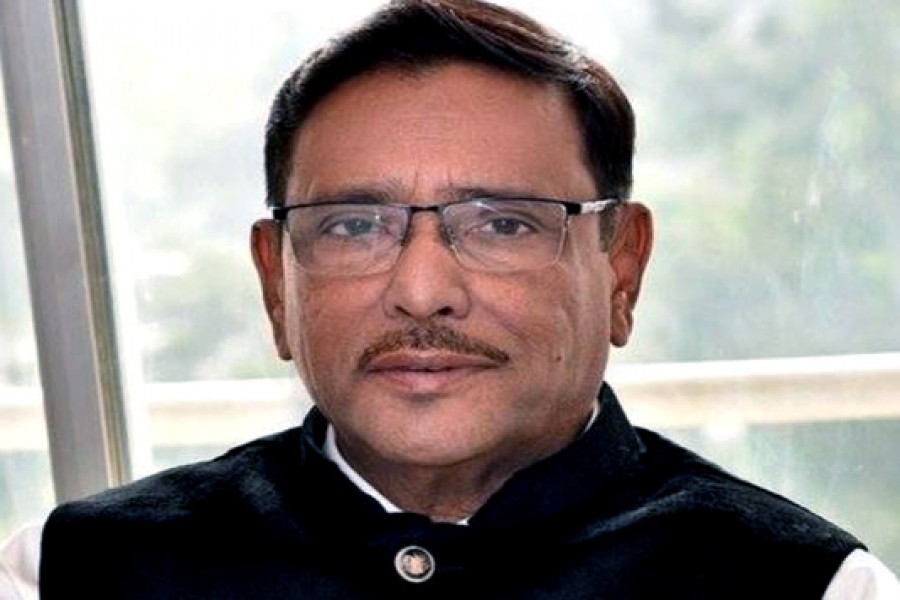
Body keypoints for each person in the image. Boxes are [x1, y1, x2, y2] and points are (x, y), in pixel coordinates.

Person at [4, 0, 897, 598]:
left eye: (502, 223)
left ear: (621, 268)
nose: (422, 292)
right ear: (277, 283)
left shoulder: (811, 587)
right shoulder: (68, 574)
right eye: (355, 225)